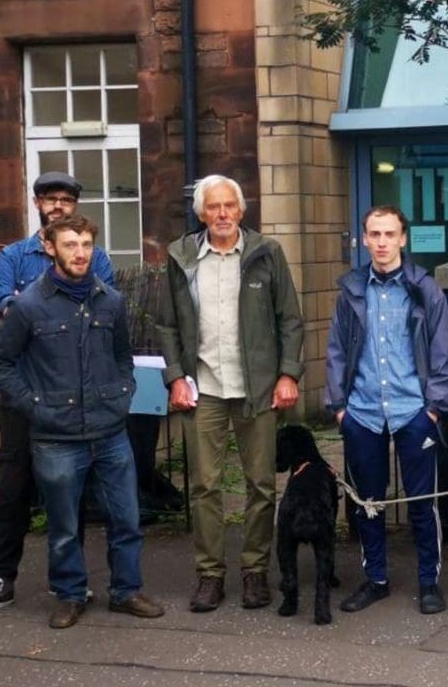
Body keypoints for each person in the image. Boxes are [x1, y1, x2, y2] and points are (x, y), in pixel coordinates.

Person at [0, 171, 114, 620]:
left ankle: (72, 586)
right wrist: (34, 305)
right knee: (13, 484)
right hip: (25, 390)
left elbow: (104, 302)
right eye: (50, 198)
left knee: (71, 489)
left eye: (66, 199)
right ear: (37, 203)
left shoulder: (93, 256)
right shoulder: (15, 255)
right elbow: (2, 303)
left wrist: (28, 304)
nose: (58, 206)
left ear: (75, 206)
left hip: (75, 392)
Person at [0, 215, 164, 629]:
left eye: (86, 244)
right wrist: (33, 405)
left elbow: (122, 357)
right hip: (56, 437)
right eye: (70, 244)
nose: (80, 253)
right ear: (50, 248)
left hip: (110, 431)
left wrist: (122, 394)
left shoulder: (110, 301)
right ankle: (68, 594)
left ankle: (126, 591)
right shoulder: (29, 305)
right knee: (64, 527)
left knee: (127, 519)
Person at [156, 174, 305, 614]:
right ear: (201, 213)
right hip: (204, 388)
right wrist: (175, 377)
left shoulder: (266, 253)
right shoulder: (180, 257)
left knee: (261, 485)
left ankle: (255, 570)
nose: (222, 214)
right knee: (205, 485)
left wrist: (288, 374)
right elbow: (165, 324)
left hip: (256, 388)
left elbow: (291, 320)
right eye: (214, 207)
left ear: (242, 211)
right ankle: (210, 575)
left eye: (230, 206)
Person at [324, 206, 448, 615]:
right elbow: (335, 349)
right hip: (362, 411)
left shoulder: (425, 288)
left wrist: (434, 409)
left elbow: (446, 351)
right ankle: (376, 579)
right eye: (374, 234)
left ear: (404, 238)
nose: (382, 242)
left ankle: (429, 581)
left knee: (423, 502)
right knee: (368, 501)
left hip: (412, 410)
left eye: (389, 234)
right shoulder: (351, 290)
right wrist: (338, 409)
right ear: (364, 239)